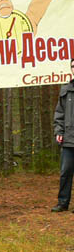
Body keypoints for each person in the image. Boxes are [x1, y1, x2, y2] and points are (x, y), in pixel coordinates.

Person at [52, 58, 74, 212]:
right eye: (73, 66)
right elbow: (59, 114)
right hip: (68, 139)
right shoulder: (66, 90)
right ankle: (62, 203)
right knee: (65, 172)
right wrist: (59, 132)